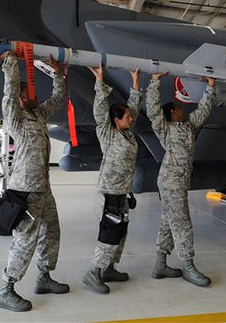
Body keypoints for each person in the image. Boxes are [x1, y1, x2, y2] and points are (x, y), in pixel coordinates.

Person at [0, 51, 69, 312]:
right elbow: (9, 93)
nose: (34, 95)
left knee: (52, 232)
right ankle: (6, 289)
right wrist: (11, 64)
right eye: (29, 92)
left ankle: (44, 277)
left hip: (43, 189)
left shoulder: (38, 115)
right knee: (25, 239)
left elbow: (59, 98)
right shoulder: (15, 118)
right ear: (21, 97)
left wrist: (58, 73)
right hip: (25, 190)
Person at [145, 71, 216, 287]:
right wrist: (154, 82)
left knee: (168, 221)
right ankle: (188, 265)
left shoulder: (188, 126)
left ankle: (160, 264)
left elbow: (203, 110)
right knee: (182, 222)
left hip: (179, 182)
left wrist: (210, 87)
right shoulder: (164, 128)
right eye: (179, 108)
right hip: (171, 182)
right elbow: (152, 110)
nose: (183, 110)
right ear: (172, 113)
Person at [82, 64, 142, 294]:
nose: (131, 119)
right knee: (110, 234)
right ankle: (93, 272)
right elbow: (99, 111)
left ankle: (108, 267)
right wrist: (99, 81)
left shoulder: (127, 135)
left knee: (121, 232)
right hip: (109, 193)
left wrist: (135, 81)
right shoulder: (108, 133)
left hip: (122, 193)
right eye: (127, 117)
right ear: (117, 120)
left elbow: (134, 107)